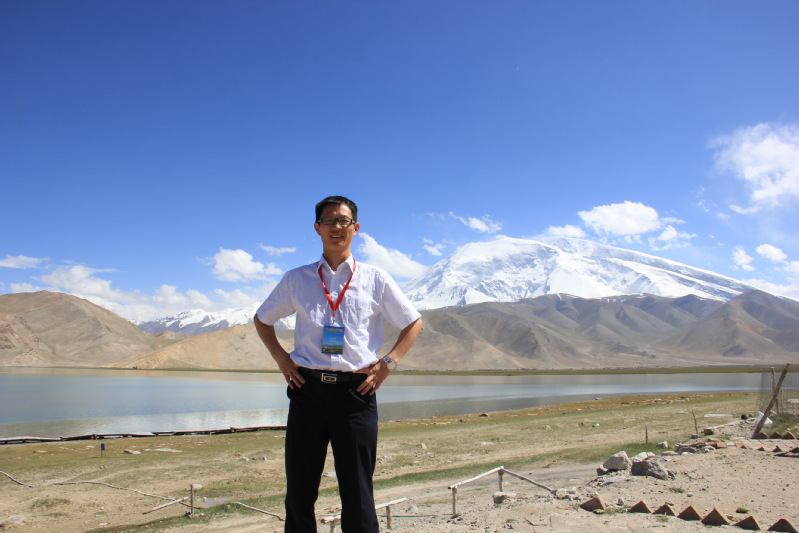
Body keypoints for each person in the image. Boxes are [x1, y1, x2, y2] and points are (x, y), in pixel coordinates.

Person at [254, 195, 423, 533]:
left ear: (355, 228)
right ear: (317, 228)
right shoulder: (297, 279)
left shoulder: (375, 278)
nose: (336, 227)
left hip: (356, 395)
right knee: (299, 490)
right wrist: (281, 359)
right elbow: (262, 319)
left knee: (358, 493)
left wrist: (388, 363)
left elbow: (413, 322)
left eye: (343, 221)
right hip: (307, 391)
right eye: (329, 220)